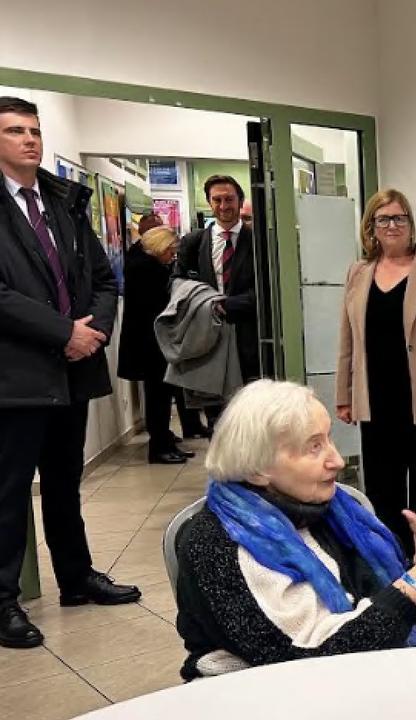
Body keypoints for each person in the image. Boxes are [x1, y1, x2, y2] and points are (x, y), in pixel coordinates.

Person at [174, 379, 416, 680]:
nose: (337, 461)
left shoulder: (334, 515)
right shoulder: (218, 543)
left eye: (329, 438)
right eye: (313, 447)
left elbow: (390, 628)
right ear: (258, 468)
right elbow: (316, 660)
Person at [0, 96, 142, 649]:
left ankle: (77, 579)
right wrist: (65, 332)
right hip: (18, 377)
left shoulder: (63, 204)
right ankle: (4, 601)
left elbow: (106, 280)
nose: (30, 140)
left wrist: (94, 333)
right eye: (15, 131)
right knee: (10, 493)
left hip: (72, 373)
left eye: (34, 130)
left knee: (64, 485)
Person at [336, 189, 416, 555]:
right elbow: (348, 339)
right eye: (383, 219)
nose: (392, 225)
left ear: (410, 224)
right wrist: (344, 394)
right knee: (382, 491)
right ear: (371, 227)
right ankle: (391, 559)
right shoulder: (358, 273)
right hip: (375, 402)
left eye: (399, 218)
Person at [174, 175, 261, 408]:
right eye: (217, 200)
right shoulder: (193, 243)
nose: (224, 206)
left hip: (249, 337)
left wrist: (228, 305)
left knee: (249, 411)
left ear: (240, 201)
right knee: (214, 412)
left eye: (229, 199)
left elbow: (267, 290)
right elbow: (177, 284)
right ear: (209, 203)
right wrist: (206, 303)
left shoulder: (259, 242)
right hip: (207, 336)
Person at [119, 225, 199, 464]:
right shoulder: (145, 270)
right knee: (158, 398)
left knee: (161, 397)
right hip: (151, 344)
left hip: (150, 343)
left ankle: (164, 440)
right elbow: (159, 304)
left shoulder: (141, 264)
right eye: (170, 251)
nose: (172, 256)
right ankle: (159, 447)